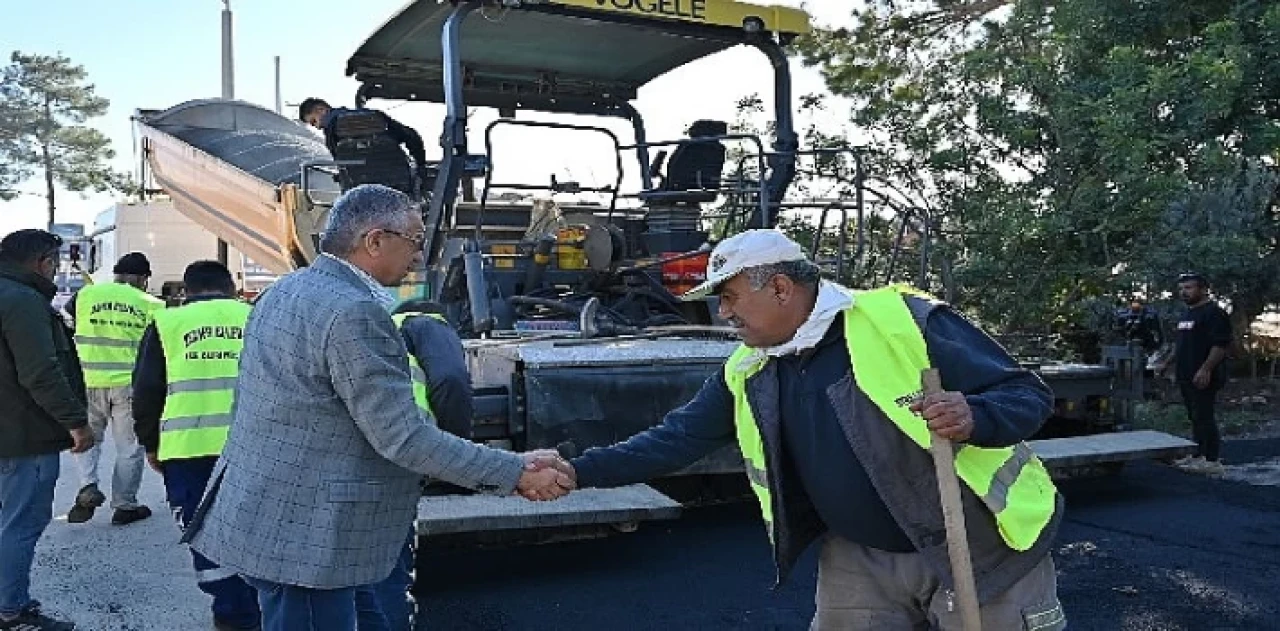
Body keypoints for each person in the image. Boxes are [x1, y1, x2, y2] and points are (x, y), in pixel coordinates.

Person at [529, 230, 1067, 630]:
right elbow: (676, 439)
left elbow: (1027, 395)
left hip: (977, 549)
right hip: (860, 560)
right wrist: (577, 470)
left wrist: (976, 416)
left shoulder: (902, 320)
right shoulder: (750, 367)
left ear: (781, 287)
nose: (724, 313)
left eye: (731, 296)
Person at [182, 184, 572, 631]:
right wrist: (515, 472)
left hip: (274, 519)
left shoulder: (285, 290)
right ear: (374, 240)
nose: (420, 255)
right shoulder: (353, 312)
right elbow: (403, 437)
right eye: (415, 240)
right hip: (313, 539)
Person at [131, 261, 261, 631]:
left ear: (186, 290)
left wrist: (151, 445)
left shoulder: (167, 324)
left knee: (205, 533)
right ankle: (261, 607)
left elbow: (146, 392)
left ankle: (232, 614)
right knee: (256, 528)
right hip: (252, 447)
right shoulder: (254, 317)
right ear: (232, 286)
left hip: (187, 450)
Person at [0, 229, 93, 631]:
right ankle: (11, 610)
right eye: (55, 263)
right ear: (44, 262)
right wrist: (75, 422)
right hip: (24, 435)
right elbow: (40, 372)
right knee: (20, 524)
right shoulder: (22, 301)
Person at [363, 300, 473, 631]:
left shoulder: (370, 333)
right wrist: (458, 462)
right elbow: (452, 380)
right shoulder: (427, 323)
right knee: (388, 573)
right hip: (396, 460)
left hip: (350, 460)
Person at [64, 251, 165, 525]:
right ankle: (125, 505)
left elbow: (69, 316)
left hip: (87, 380)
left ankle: (87, 485)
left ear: (117, 274)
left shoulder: (86, 295)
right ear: (143, 279)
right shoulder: (152, 304)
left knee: (86, 438)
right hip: (127, 385)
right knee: (129, 447)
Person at [1159, 273, 1231, 475]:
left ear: (1203, 289)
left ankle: (1212, 460)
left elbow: (1221, 345)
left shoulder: (1214, 313)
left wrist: (1206, 369)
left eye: (1189, 288)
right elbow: (1180, 344)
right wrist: (1166, 363)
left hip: (1204, 375)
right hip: (1186, 373)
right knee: (1194, 416)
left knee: (1204, 415)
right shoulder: (1187, 314)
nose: (1184, 292)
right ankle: (1198, 455)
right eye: (1181, 288)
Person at [298, 98, 429, 178]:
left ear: (322, 110)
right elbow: (411, 135)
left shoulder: (332, 134)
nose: (317, 127)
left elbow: (342, 165)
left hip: (360, 187)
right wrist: (421, 165)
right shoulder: (375, 117)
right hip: (399, 179)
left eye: (314, 121)